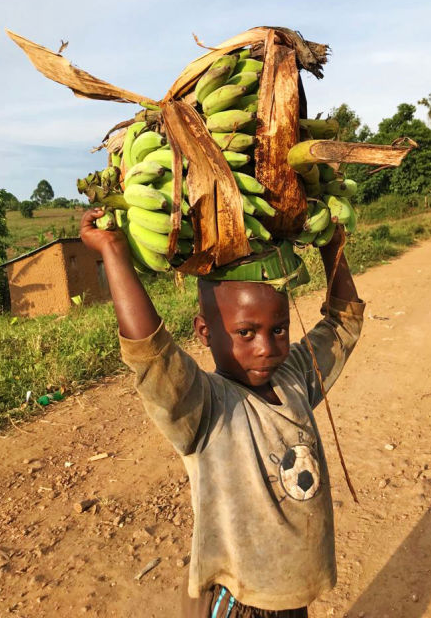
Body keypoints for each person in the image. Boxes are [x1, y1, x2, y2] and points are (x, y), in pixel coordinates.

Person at [80, 207, 365, 618]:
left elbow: (343, 324)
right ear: (205, 331)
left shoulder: (295, 378)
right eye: (245, 333)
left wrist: (332, 244)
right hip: (238, 603)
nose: (266, 348)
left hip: (291, 596)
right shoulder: (205, 406)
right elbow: (151, 354)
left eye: (278, 329)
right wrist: (112, 251)